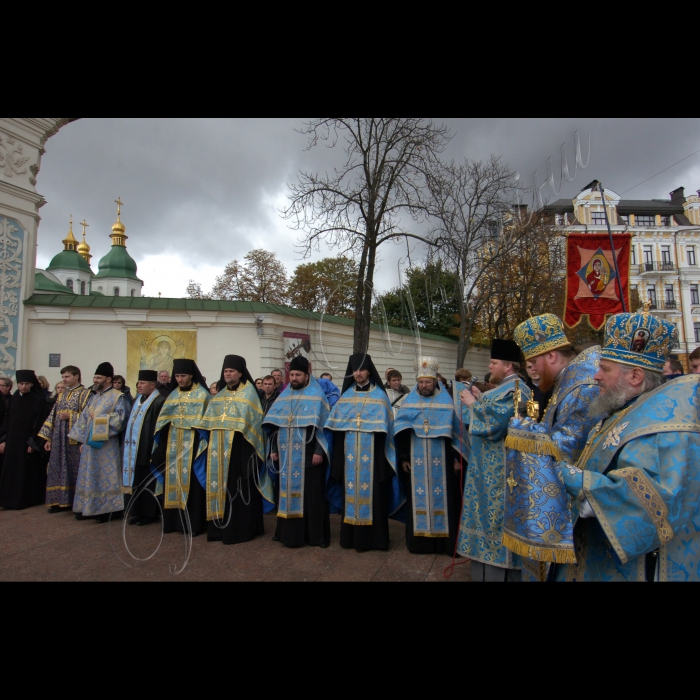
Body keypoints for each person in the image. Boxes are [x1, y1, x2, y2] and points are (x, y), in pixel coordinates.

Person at [556, 311, 700, 582]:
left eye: (605, 368)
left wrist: (565, 475)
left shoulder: (662, 428)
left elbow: (648, 505)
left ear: (634, 376)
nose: (596, 376)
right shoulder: (625, 411)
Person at [505, 314, 602, 580]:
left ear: (550, 356)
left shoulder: (581, 386)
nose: (531, 369)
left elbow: (572, 445)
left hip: (574, 506)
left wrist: (523, 431)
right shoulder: (568, 379)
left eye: (534, 361)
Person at [456, 339, 530, 582]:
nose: (490, 366)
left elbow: (492, 427)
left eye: (494, 362)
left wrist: (473, 403)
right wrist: (481, 397)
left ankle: (497, 573)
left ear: (508, 366)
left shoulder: (513, 390)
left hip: (499, 473)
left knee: (495, 519)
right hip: (491, 469)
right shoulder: (511, 388)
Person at [197, 355, 274, 545]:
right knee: (220, 490)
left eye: (231, 371)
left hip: (241, 454)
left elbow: (254, 427)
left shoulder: (249, 394)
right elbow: (207, 425)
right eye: (226, 371)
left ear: (240, 373)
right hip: (218, 454)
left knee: (239, 492)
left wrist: (249, 457)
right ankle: (218, 530)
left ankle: (240, 531)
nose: (228, 374)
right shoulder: (219, 396)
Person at [326, 354, 399, 552]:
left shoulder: (380, 397)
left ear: (369, 371)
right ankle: (350, 539)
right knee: (350, 495)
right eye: (355, 370)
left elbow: (388, 432)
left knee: (375, 498)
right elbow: (336, 432)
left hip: (374, 460)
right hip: (350, 459)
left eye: (362, 370)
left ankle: (376, 540)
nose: (358, 373)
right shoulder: (346, 397)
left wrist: (384, 462)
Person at [394, 358, 467, 555]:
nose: (423, 385)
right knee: (416, 501)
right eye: (420, 382)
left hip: (442, 462)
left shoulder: (446, 402)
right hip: (416, 461)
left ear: (435, 381)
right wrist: (403, 458)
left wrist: (456, 459)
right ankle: (419, 544)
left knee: (446, 501)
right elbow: (401, 433)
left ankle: (445, 544)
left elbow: (456, 434)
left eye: (427, 382)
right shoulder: (408, 402)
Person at [265, 356, 331, 549]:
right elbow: (275, 426)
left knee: (313, 498)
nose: (294, 378)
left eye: (298, 375)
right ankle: (286, 533)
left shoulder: (317, 396)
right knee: (285, 495)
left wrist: (319, 451)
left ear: (307, 375)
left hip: (310, 457)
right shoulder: (284, 396)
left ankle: (317, 536)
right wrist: (274, 450)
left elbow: (323, 427)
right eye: (291, 374)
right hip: (286, 457)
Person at [151, 359, 210, 537]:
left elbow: (206, 422)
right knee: (173, 481)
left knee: (193, 485)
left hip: (193, 447)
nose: (180, 379)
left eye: (183, 376)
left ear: (191, 375)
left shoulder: (202, 395)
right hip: (173, 445)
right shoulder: (173, 395)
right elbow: (163, 420)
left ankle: (193, 524)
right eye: (177, 376)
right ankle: (173, 522)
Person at [69, 363, 131, 523]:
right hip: (90, 445)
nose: (95, 380)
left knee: (105, 476)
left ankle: (108, 509)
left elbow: (121, 420)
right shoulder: (94, 397)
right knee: (89, 475)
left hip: (107, 446)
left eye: (99, 377)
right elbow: (84, 418)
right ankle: (88, 506)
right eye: (95, 377)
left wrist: (99, 420)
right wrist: (81, 440)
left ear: (108, 379)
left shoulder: (118, 397)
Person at [39, 366, 91, 514]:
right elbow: (52, 415)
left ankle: (75, 501)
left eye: (67, 376)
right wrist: (47, 437)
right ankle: (58, 500)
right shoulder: (62, 394)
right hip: (58, 437)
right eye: (63, 377)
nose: (64, 379)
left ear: (76, 376)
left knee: (74, 468)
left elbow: (88, 416)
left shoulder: (85, 394)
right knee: (57, 467)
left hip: (75, 438)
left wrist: (71, 417)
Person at [0, 371, 52, 510]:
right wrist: (3, 439)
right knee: (11, 469)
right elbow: (8, 420)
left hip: (27, 443)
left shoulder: (38, 399)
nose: (23, 387)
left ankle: (25, 500)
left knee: (26, 471)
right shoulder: (15, 397)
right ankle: (8, 500)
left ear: (32, 384)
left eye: (27, 384)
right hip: (13, 442)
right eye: (21, 384)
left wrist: (33, 442)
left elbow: (39, 423)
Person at [122, 370, 166, 527]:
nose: (138, 385)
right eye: (138, 383)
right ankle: (137, 512)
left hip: (148, 448)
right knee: (137, 481)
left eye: (142, 383)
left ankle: (149, 514)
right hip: (133, 450)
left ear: (152, 385)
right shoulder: (137, 400)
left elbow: (159, 428)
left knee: (148, 481)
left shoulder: (159, 401)